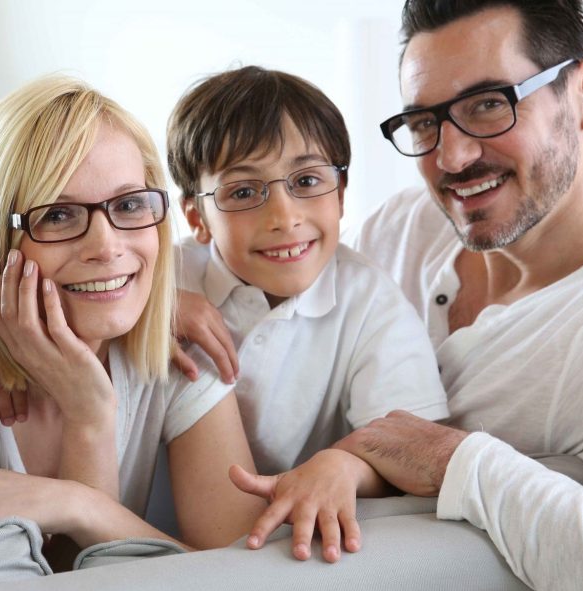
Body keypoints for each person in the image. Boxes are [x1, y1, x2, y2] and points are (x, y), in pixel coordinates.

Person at [0, 75, 266, 562]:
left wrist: (86, 508)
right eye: (58, 215)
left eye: (129, 205)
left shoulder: (184, 350)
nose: (106, 246)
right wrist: (88, 419)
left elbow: (246, 575)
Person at [328, 1, 583, 591]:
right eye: (423, 122)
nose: (453, 158)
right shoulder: (401, 231)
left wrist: (453, 461)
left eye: (489, 105)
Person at [164, 65, 450, 563]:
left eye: (307, 180)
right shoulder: (164, 277)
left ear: (340, 195)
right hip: (149, 538)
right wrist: (155, 307)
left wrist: (344, 465)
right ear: (197, 218)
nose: (284, 217)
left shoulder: (372, 304)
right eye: (244, 191)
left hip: (270, 551)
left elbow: (414, 448)